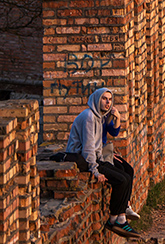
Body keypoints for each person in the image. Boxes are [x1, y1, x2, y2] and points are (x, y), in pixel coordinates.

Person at [65, 87, 141, 239]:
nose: (108, 102)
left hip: (95, 157)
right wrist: (96, 171)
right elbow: (88, 149)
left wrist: (106, 157)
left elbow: (99, 144)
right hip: (81, 159)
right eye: (104, 99)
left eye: (110, 99)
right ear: (96, 99)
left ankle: (120, 218)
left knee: (126, 175)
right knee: (121, 180)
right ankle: (115, 219)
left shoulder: (99, 116)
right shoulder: (89, 117)